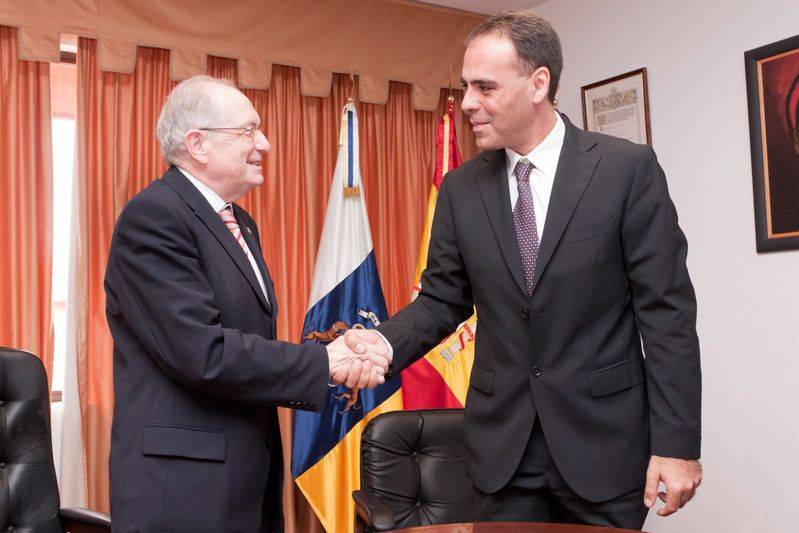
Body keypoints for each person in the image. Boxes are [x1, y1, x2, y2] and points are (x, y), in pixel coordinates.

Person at [349, 10, 702, 530]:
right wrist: (382, 344)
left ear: (538, 83)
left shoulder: (626, 171)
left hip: (604, 448)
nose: (468, 102)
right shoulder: (461, 189)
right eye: (466, 86)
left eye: (485, 87)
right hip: (503, 455)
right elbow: (442, 301)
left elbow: (667, 315)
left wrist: (677, 445)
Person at [104, 75, 388, 532]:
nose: (265, 143)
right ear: (198, 144)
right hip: (184, 492)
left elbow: (245, 340)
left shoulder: (240, 222)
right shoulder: (154, 217)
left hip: (247, 479)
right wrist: (325, 361)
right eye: (248, 130)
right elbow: (203, 352)